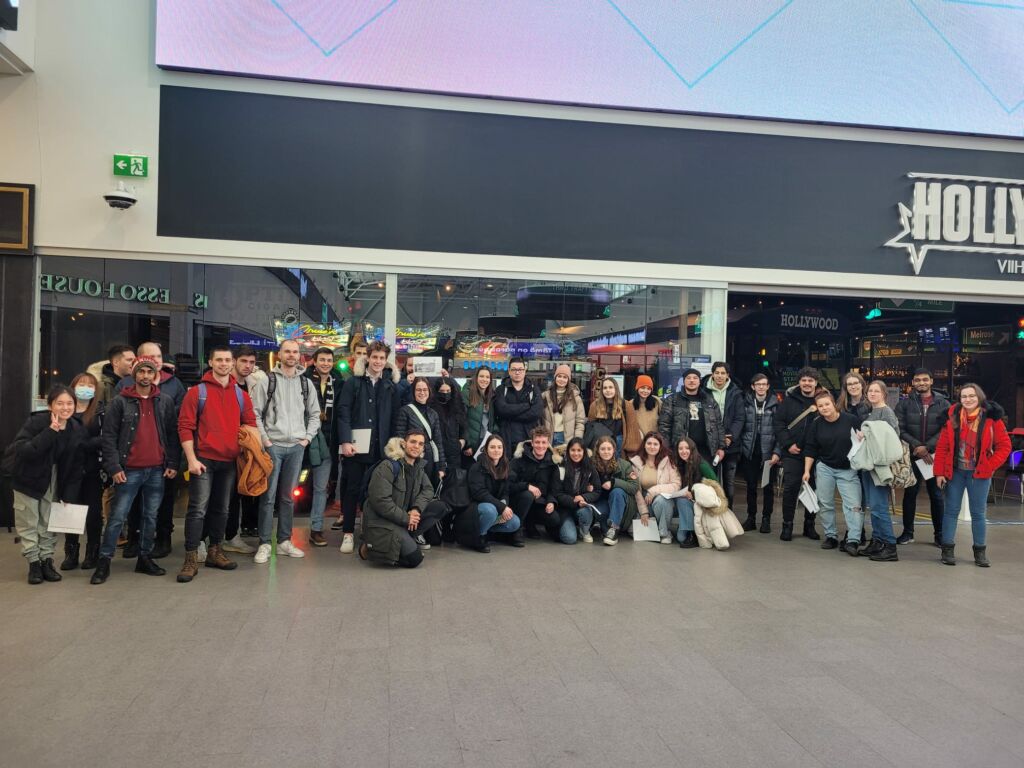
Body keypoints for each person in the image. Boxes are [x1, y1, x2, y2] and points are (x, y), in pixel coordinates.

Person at [92, 356, 180, 584]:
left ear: (155, 375)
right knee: (118, 517)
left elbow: (172, 434)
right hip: (128, 470)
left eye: (150, 372)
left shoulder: (165, 401)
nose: (145, 376)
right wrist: (113, 466)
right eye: (141, 372)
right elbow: (108, 437)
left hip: (156, 470)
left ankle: (144, 557)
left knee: (151, 516)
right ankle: (104, 561)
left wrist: (172, 463)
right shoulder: (120, 402)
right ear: (134, 374)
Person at [175, 345, 257, 583]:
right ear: (210, 362)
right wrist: (191, 459)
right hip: (203, 460)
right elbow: (185, 427)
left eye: (227, 360)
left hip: (229, 461)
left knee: (222, 509)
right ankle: (191, 557)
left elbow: (250, 424)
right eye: (218, 360)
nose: (223, 363)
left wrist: (254, 455)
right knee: (198, 509)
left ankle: (215, 551)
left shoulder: (241, 395)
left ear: (232, 364)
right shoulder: (197, 392)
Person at [2, 386, 85, 584]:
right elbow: (24, 451)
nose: (65, 407)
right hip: (28, 477)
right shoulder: (37, 421)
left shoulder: (76, 428)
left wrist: (69, 494)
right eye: (60, 403)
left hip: (55, 478)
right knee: (29, 521)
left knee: (48, 522)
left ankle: (47, 561)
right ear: (50, 406)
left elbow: (75, 464)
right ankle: (34, 564)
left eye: (69, 403)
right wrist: (50, 431)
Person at [249, 339, 322, 564]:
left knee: (288, 498)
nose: (291, 355)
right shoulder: (266, 381)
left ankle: (283, 541)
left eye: (295, 352)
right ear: (279, 354)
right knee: (268, 496)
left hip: (296, 448)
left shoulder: (306, 384)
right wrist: (266, 440)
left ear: (299, 356)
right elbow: (255, 413)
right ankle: (263, 543)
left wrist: (306, 439)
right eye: (287, 351)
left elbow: (314, 413)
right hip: (274, 446)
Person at [117, 341, 186, 560]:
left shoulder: (174, 385)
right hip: (134, 455)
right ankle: (134, 540)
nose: (156, 360)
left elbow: (178, 419)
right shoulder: (125, 385)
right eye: (151, 356)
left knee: (165, 500)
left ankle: (163, 538)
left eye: (158, 356)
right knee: (134, 501)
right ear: (138, 360)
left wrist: (174, 460)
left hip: (163, 454)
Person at [934, 383, 1011, 567]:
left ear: (980, 398)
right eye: (964, 397)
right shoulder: (952, 418)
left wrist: (989, 466)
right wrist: (939, 473)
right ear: (960, 399)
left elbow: (1005, 446)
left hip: (979, 474)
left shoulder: (992, 419)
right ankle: (947, 550)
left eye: (971, 396)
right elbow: (943, 447)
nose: (967, 400)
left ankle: (980, 552)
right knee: (951, 511)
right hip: (955, 472)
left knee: (978, 513)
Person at [337, 340, 401, 553]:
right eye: (375, 357)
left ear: (386, 360)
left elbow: (394, 418)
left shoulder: (390, 385)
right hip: (356, 447)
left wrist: (393, 445)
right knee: (352, 489)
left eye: (382, 358)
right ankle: (347, 533)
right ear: (367, 358)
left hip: (380, 449)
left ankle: (368, 531)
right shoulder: (353, 383)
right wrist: (345, 441)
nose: (378, 361)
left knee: (374, 492)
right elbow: (343, 412)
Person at [357, 430, 447, 567]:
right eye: (413, 442)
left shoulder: (418, 467)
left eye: (420, 444)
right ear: (404, 444)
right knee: (415, 559)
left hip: (401, 519)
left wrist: (416, 509)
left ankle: (405, 539)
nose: (416, 446)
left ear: (423, 448)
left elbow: (428, 489)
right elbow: (381, 502)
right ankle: (369, 547)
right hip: (382, 520)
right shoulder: (388, 466)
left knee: (440, 507)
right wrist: (406, 518)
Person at [802, 389, 863, 554]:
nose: (824, 408)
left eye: (827, 404)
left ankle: (853, 540)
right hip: (825, 468)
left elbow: (863, 441)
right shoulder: (816, 423)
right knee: (825, 503)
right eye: (820, 406)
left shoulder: (851, 420)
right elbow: (811, 448)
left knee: (853, 506)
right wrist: (807, 471)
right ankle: (831, 536)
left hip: (848, 469)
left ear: (834, 404)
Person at [894, 368, 949, 547]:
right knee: (910, 494)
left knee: (936, 495)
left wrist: (928, 447)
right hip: (913, 455)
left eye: (925, 379)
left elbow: (947, 428)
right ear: (913, 383)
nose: (921, 383)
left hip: (935, 456)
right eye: (917, 380)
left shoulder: (944, 403)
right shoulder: (904, 403)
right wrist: (917, 446)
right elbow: (899, 428)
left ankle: (939, 535)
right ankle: (907, 533)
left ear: (932, 381)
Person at [853, 380, 902, 561]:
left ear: (884, 394)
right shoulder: (871, 411)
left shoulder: (887, 412)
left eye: (876, 391)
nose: (872, 394)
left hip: (880, 467)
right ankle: (877, 540)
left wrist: (869, 434)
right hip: (869, 465)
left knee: (880, 507)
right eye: (870, 391)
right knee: (873, 506)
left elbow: (893, 436)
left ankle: (890, 546)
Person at [60, 373, 105, 570]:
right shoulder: (64, 409)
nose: (85, 387)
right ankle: (71, 553)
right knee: (70, 512)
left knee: (93, 513)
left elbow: (107, 437)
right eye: (81, 384)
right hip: (68, 470)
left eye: (90, 385)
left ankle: (92, 552)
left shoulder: (101, 411)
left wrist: (84, 444)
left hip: (92, 470)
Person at [773, 366, 821, 542]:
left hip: (816, 455)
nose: (807, 383)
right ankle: (787, 525)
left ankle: (810, 525)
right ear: (799, 382)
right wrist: (788, 444)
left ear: (816, 383)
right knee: (791, 489)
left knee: (813, 490)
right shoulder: (789, 401)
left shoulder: (822, 400)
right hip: (793, 452)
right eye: (804, 380)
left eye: (810, 380)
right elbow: (779, 424)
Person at [224, 345, 261, 551]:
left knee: (236, 495)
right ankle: (204, 540)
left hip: (243, 448)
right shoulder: (222, 384)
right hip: (221, 448)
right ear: (234, 361)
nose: (247, 366)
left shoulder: (253, 385)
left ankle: (231, 536)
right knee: (217, 496)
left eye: (252, 362)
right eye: (243, 361)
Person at [304, 346, 342, 547]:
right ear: (314, 361)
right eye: (322, 360)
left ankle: (316, 528)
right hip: (302, 440)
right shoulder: (303, 379)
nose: (326, 363)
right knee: (287, 488)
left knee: (320, 489)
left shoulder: (339, 382)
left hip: (326, 442)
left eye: (329, 360)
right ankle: (282, 534)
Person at [330, 338, 369, 529]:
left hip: (368, 436)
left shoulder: (373, 376)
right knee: (346, 477)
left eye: (365, 354)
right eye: (359, 353)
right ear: (353, 354)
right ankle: (345, 513)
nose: (362, 357)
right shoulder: (343, 375)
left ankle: (362, 513)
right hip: (347, 433)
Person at [464, 434, 523, 552]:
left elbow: (506, 491)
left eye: (499, 447)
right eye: (492, 447)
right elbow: (479, 493)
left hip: (495, 505)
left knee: (515, 522)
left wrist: (504, 504)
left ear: (503, 450)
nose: (496, 450)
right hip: (476, 507)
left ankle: (488, 531)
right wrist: (501, 507)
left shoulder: (505, 467)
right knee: (490, 510)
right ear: (486, 449)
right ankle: (479, 537)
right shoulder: (477, 467)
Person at [658, 367, 725, 469]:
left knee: (706, 482)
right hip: (682, 450)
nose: (692, 380)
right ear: (684, 381)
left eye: (695, 378)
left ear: (699, 381)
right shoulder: (672, 400)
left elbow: (718, 425)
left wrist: (721, 447)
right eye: (688, 378)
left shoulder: (709, 400)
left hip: (706, 450)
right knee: (684, 481)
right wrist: (667, 448)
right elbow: (664, 426)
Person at [739, 373, 781, 533]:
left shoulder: (775, 404)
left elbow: (780, 431)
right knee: (750, 486)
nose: (761, 387)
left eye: (764, 384)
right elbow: (740, 426)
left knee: (768, 487)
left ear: (768, 386)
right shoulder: (746, 403)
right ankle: (751, 518)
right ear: (753, 386)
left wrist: (777, 452)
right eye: (758, 384)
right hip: (750, 451)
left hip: (768, 453)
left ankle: (766, 519)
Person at [703, 362, 744, 508]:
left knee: (729, 484)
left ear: (728, 376)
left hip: (730, 445)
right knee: (710, 482)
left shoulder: (736, 392)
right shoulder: (703, 391)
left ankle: (728, 513)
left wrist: (729, 437)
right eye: (717, 373)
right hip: (708, 443)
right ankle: (711, 512)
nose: (720, 376)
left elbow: (740, 418)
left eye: (723, 373)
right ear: (712, 374)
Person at [395, 377, 447, 488]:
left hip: (432, 459)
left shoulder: (433, 413)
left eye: (425, 389)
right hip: (413, 459)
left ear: (429, 391)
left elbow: (438, 441)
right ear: (413, 392)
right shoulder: (405, 411)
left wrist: (442, 466)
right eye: (418, 390)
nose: (422, 392)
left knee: (428, 491)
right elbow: (400, 439)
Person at [630, 432, 681, 544]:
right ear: (644, 445)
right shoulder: (635, 462)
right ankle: (654, 527)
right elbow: (635, 489)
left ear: (660, 446)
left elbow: (676, 485)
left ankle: (664, 532)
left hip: (663, 501)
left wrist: (654, 491)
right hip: (643, 501)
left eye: (655, 444)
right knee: (632, 530)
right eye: (649, 443)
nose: (652, 447)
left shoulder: (668, 461)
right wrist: (643, 511)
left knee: (661, 501)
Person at [509, 427, 558, 542]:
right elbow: (509, 484)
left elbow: (554, 488)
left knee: (554, 519)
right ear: (531, 443)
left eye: (543, 442)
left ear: (548, 443)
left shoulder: (553, 463)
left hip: (539, 502)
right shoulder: (519, 458)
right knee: (528, 495)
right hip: (518, 500)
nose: (540, 446)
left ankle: (530, 523)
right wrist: (527, 486)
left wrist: (551, 501)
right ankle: (517, 528)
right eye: (537, 442)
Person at [590, 434, 639, 546]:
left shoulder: (624, 465)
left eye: (609, 449)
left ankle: (614, 528)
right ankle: (608, 529)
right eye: (602, 449)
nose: (606, 452)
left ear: (614, 450)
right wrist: (589, 486)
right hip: (602, 501)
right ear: (597, 450)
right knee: (603, 522)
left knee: (617, 491)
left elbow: (634, 487)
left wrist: (614, 483)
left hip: (621, 502)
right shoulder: (591, 464)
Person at [553, 437, 600, 544]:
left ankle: (584, 531)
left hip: (582, 507)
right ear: (568, 451)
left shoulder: (590, 467)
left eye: (579, 450)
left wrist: (584, 497)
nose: (576, 453)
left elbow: (597, 490)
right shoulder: (561, 467)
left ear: (584, 451)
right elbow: (557, 493)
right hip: (565, 509)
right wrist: (575, 501)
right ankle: (569, 526)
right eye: (573, 450)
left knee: (586, 511)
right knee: (570, 539)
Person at [673, 437, 718, 548]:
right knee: (680, 538)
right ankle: (689, 530)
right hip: (689, 504)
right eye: (680, 448)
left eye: (687, 448)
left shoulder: (701, 464)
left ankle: (693, 535)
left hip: (701, 504)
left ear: (692, 449)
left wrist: (694, 494)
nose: (683, 451)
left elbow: (716, 486)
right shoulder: (681, 464)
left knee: (681, 501)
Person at [493, 356, 544, 449]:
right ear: (509, 371)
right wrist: (526, 406)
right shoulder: (501, 389)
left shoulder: (534, 389)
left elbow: (536, 413)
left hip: (528, 440)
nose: (517, 372)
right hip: (506, 440)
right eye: (514, 369)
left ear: (525, 370)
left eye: (520, 369)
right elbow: (501, 410)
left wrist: (509, 415)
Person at [540, 363, 586, 448]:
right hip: (548, 437)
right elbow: (539, 419)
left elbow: (580, 422)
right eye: (559, 376)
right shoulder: (545, 396)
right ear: (555, 377)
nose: (562, 379)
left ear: (569, 380)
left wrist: (577, 440)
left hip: (567, 438)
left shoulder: (576, 398)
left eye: (565, 377)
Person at [462, 366, 496, 468]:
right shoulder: (467, 393)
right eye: (481, 376)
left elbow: (492, 421)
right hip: (471, 444)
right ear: (476, 378)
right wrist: (467, 444)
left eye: (487, 377)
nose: (484, 379)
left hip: (486, 442)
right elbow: (462, 421)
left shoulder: (491, 396)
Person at [622, 374, 661, 457]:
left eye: (648, 388)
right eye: (643, 387)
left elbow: (664, 422)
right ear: (637, 388)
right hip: (637, 445)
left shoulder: (657, 402)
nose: (645, 391)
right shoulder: (630, 404)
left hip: (653, 444)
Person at [587, 377, 627, 452]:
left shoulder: (625, 404)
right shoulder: (595, 405)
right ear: (602, 390)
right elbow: (590, 427)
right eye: (605, 388)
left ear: (616, 389)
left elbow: (630, 428)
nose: (608, 390)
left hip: (618, 442)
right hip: (600, 441)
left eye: (611, 387)